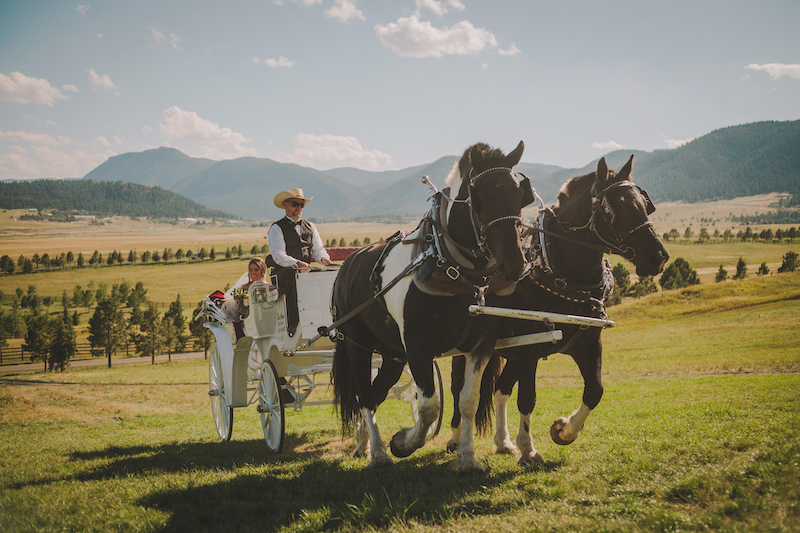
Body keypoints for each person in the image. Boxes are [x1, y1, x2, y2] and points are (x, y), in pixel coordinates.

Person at [267, 188, 331, 336]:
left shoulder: (311, 226)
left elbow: (317, 248)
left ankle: (327, 319)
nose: (299, 208)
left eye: (301, 205)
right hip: (283, 271)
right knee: (293, 275)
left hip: (304, 269)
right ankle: (295, 327)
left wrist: (323, 259)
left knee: (328, 274)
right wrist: (297, 263)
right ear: (285, 205)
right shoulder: (276, 228)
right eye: (295, 204)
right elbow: (278, 255)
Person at [222, 257, 267, 340]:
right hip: (248, 321)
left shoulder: (267, 287)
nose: (253, 273)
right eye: (251, 270)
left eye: (256, 270)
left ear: (262, 271)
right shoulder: (244, 288)